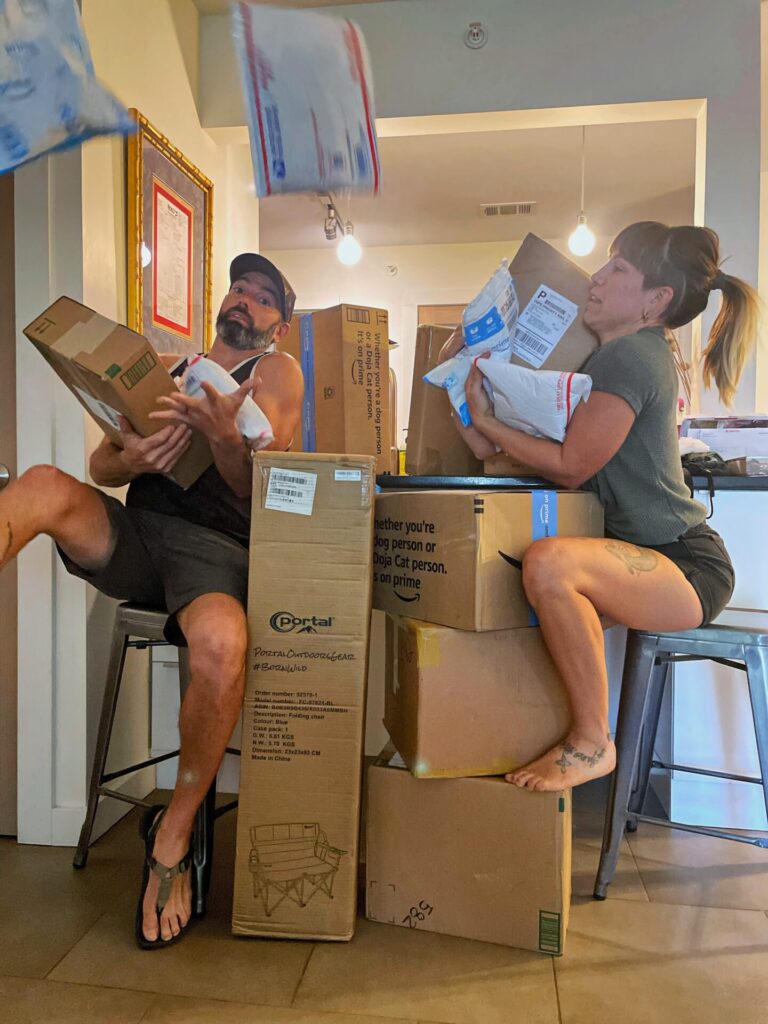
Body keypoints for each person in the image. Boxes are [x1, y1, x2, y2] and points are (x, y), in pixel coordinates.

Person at [0, 253, 304, 948]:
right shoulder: (171, 367)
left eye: (262, 300)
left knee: (224, 647)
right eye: (239, 289)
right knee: (46, 484)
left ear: (278, 327)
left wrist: (225, 435)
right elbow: (102, 465)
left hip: (215, 555)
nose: (245, 303)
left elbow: (265, 474)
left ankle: (171, 836)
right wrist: (130, 461)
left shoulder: (277, 373)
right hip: (140, 535)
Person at [449, 222, 757, 792]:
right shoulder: (612, 357)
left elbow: (571, 464)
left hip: (686, 563)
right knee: (514, 615)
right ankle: (497, 738)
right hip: (650, 557)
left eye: (617, 269)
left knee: (548, 565)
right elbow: (551, 460)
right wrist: (483, 430)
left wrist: (490, 423)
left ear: (655, 300)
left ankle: (593, 743)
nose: (596, 278)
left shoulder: (632, 358)